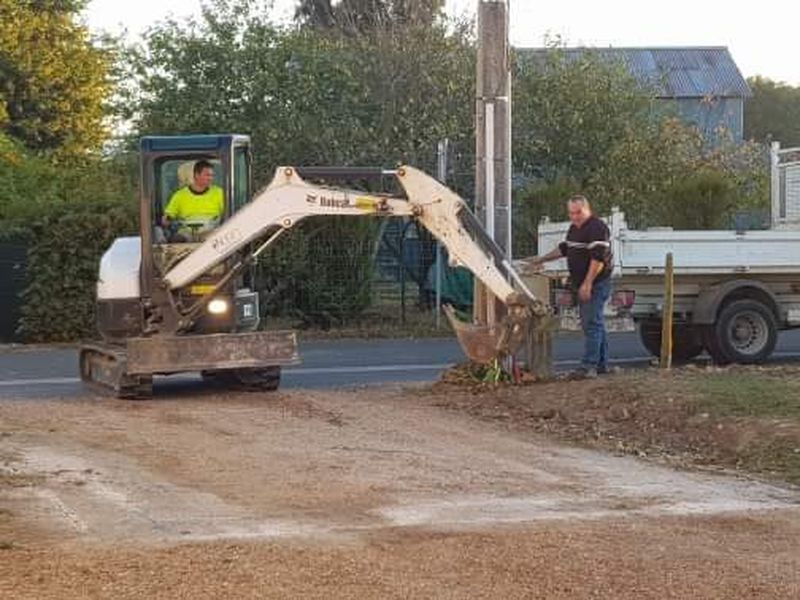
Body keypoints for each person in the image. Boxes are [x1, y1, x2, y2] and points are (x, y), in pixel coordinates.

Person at [530, 195, 613, 378]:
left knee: (591, 323)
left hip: (597, 283)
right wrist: (542, 259)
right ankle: (601, 364)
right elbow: (565, 249)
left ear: (587, 209)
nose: (574, 217)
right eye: (571, 213)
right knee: (595, 322)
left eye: (578, 212)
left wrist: (587, 283)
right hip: (582, 282)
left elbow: (598, 258)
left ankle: (588, 366)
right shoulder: (574, 229)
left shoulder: (597, 227)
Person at [162, 160, 224, 242]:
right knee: (177, 239)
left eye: (212, 175)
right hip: (187, 233)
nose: (211, 178)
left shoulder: (219, 193)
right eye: (207, 175)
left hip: (210, 232)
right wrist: (167, 219)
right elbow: (168, 216)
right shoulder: (179, 195)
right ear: (196, 175)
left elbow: (228, 214)